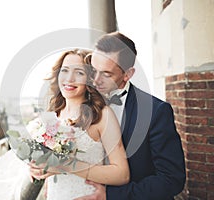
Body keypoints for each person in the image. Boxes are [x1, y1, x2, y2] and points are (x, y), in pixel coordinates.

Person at [76, 32, 186, 200]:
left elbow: (171, 180)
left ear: (127, 74)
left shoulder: (156, 112)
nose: (96, 80)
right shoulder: (79, 101)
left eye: (106, 74)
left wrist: (111, 196)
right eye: (93, 70)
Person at [28, 49, 130, 200]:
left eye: (79, 73)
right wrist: (37, 170)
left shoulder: (103, 115)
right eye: (65, 70)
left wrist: (66, 165)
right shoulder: (51, 115)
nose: (69, 78)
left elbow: (122, 174)